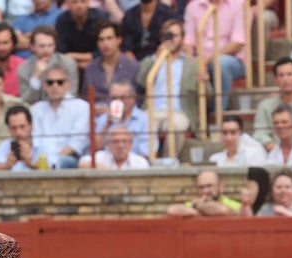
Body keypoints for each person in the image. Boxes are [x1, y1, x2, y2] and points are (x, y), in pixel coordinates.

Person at [137, 16, 197, 154]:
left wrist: (204, 80)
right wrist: (157, 57)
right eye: (168, 35)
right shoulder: (151, 60)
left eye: (175, 35)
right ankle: (146, 161)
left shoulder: (192, 65)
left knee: (175, 126)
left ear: (182, 38)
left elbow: (208, 96)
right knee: (144, 125)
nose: (172, 39)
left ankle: (167, 161)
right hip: (152, 111)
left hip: (179, 112)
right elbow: (140, 81)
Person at [183, 0, 246, 111]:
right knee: (183, 65)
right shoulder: (193, 6)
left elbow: (237, 43)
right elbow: (188, 41)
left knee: (220, 63)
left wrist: (207, 60)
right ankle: (192, 115)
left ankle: (218, 113)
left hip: (232, 59)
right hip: (200, 58)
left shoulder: (239, 4)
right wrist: (190, 63)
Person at [30, 64, 89, 168]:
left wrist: (52, 161)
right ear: (44, 85)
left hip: (70, 160)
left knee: (62, 162)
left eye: (60, 82)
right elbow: (35, 141)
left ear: (68, 85)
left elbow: (77, 143)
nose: (55, 86)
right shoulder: (36, 109)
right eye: (50, 82)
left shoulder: (81, 107)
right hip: (41, 159)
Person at [17, 25, 78, 104]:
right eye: (42, 46)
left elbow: (72, 94)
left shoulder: (68, 63)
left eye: (50, 45)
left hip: (64, 108)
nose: (46, 50)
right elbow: (27, 100)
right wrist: (36, 76)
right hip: (36, 111)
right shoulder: (23, 68)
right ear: (32, 47)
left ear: (55, 46)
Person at [81, 21, 139, 103]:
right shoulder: (90, 69)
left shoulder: (133, 67)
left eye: (109, 38)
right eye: (101, 40)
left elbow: (140, 99)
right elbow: (86, 100)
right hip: (96, 114)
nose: (105, 43)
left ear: (118, 40)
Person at [166, 169, 241, 217]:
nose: (205, 191)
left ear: (221, 187)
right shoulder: (194, 205)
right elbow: (171, 210)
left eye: (209, 186)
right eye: (201, 187)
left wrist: (200, 208)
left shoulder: (235, 205)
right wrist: (196, 211)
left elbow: (224, 211)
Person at [56, 0, 107, 70]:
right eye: (74, 2)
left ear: (88, 3)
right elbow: (60, 51)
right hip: (69, 65)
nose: (79, 6)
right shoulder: (62, 20)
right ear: (67, 4)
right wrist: (76, 63)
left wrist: (73, 55)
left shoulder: (100, 18)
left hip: (99, 63)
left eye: (83, 1)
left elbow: (104, 49)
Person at [0, 103, 40, 170]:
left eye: (22, 127)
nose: (18, 132)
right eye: (14, 128)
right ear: (8, 129)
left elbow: (52, 168)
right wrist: (7, 165)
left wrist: (30, 163)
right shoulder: (5, 145)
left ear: (31, 126)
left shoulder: (43, 144)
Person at [79, 124, 150, 169]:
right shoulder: (101, 156)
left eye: (124, 141)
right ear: (108, 144)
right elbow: (81, 164)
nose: (120, 146)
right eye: (116, 141)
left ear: (131, 144)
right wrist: (106, 170)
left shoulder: (140, 162)